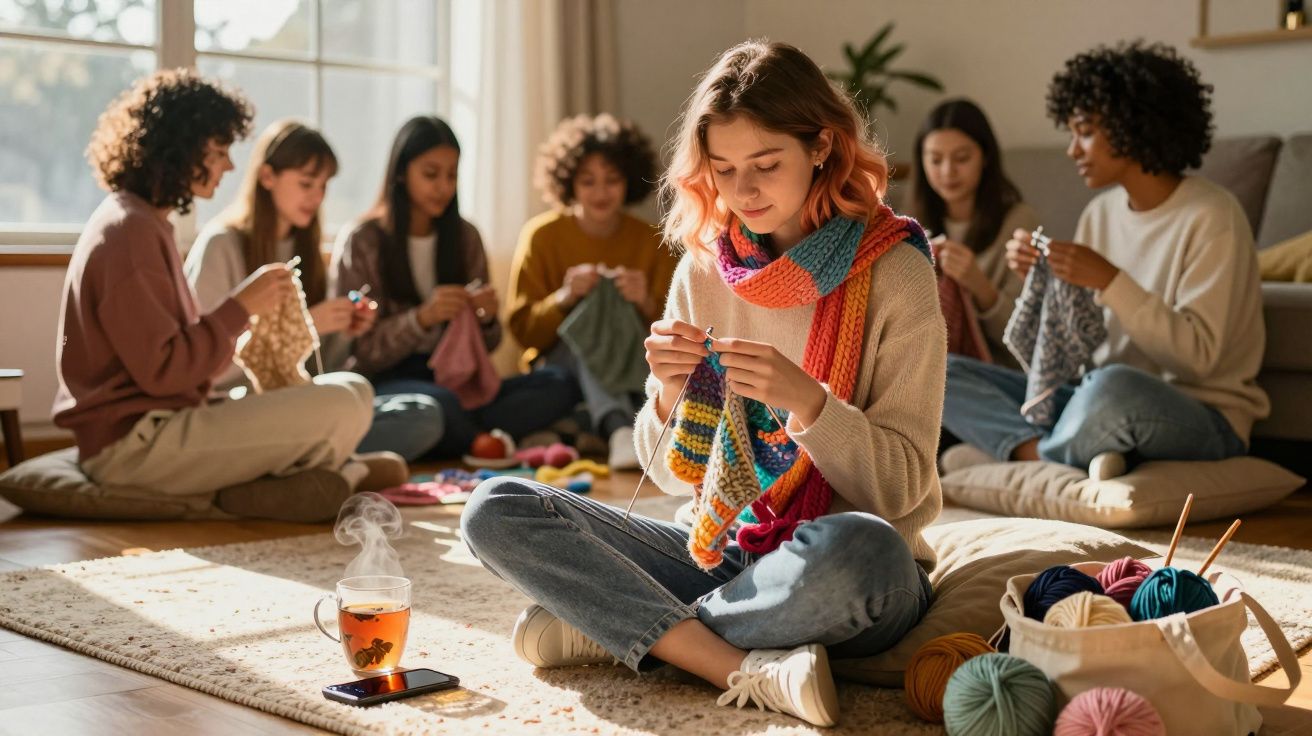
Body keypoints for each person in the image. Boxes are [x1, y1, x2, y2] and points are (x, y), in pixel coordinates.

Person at [462, 40, 945, 727]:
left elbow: (902, 487)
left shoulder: (895, 271)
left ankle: (621, 629)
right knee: (495, 507)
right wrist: (664, 394)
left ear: (822, 148)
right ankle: (727, 660)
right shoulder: (706, 270)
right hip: (720, 553)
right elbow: (668, 480)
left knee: (860, 555)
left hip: (840, 566)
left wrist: (808, 403)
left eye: (766, 164)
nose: (743, 191)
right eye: (723, 170)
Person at [53, 70, 378, 522]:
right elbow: (167, 374)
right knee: (345, 402)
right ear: (181, 149)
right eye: (220, 151)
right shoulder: (129, 232)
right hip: (133, 449)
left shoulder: (144, 222)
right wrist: (241, 307)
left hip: (162, 427)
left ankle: (297, 482)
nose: (228, 166)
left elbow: (176, 369)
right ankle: (297, 482)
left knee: (352, 393)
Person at [941, 42, 1267, 479]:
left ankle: (1027, 457)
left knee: (1113, 387)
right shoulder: (1101, 214)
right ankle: (1044, 451)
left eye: (1085, 132)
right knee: (936, 372)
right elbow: (1074, 354)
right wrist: (1045, 285)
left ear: (1133, 127)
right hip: (1092, 397)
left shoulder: (1212, 216)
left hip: (1202, 415)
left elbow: (1199, 359)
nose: (1073, 150)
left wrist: (1110, 280)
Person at [185, 119, 443, 462]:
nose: (317, 196)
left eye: (323, 186)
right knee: (365, 410)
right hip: (234, 407)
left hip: (293, 403)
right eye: (306, 183)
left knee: (420, 413)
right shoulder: (222, 246)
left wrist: (344, 331)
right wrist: (306, 327)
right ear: (267, 178)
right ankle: (309, 461)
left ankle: (302, 461)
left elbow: (317, 370)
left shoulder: (304, 251)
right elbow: (201, 368)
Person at [330, 116, 577, 459]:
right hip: (390, 381)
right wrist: (422, 319)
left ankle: (456, 437)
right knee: (436, 405)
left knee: (558, 383)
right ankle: (483, 438)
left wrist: (486, 318)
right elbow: (362, 350)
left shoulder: (464, 237)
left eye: (452, 175)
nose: (443, 187)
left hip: (460, 382)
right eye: (431, 174)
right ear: (401, 173)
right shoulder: (364, 241)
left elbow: (488, 346)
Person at [507, 114, 678, 468]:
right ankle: (619, 428)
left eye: (612, 180)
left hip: (634, 363)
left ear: (628, 180)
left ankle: (581, 427)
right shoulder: (542, 236)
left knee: (604, 317)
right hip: (558, 367)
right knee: (591, 323)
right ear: (569, 183)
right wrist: (565, 298)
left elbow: (676, 330)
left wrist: (644, 302)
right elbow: (523, 331)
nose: (601, 192)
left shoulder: (651, 241)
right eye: (588, 181)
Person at [908, 98, 1039, 367]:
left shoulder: (1018, 223)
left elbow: (1030, 337)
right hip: (926, 367)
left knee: (949, 370)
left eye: (962, 158)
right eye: (935, 159)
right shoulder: (908, 226)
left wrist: (979, 286)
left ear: (986, 157)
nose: (948, 171)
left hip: (997, 372)